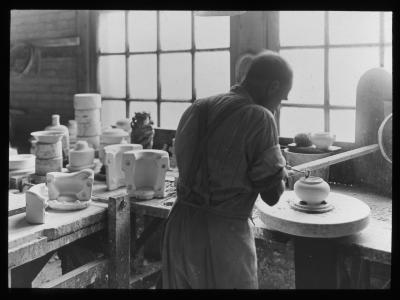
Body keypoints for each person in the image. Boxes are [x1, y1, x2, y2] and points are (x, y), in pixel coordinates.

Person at [161, 50, 293, 289]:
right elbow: (271, 196)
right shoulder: (260, 117)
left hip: (179, 228)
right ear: (273, 87)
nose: (279, 105)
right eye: (282, 98)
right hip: (223, 237)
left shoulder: (198, 108)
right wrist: (280, 170)